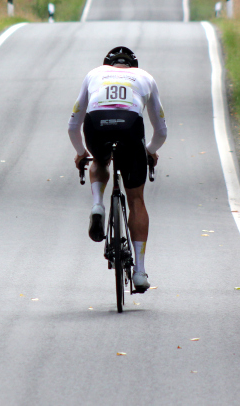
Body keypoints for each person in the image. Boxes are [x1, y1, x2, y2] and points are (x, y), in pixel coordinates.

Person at [67, 46, 167, 293]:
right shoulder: (145, 77)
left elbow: (73, 125)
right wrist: (150, 151)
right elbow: (161, 130)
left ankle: (98, 204)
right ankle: (140, 273)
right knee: (136, 201)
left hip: (96, 124)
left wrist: (82, 153)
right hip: (130, 127)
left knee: (100, 161)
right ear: (133, 66)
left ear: (107, 65)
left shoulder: (94, 74)